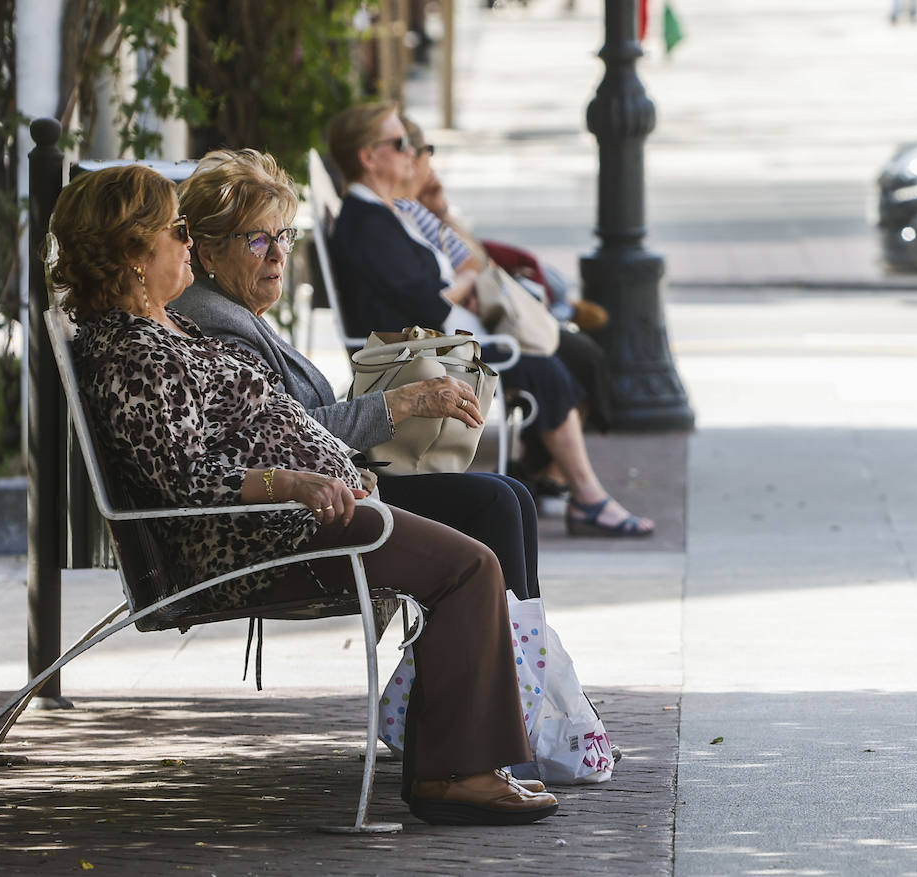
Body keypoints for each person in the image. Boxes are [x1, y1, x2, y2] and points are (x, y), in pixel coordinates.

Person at [49, 163, 557, 826]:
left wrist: (335, 470)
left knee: (473, 544)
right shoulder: (139, 350)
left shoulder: (167, 330)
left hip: (298, 518)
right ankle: (457, 773)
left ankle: (466, 763)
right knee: (469, 565)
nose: (186, 243)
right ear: (132, 256)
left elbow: (244, 432)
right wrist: (290, 479)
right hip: (263, 537)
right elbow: (182, 478)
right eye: (175, 231)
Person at [173, 147, 542, 601]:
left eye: (283, 236)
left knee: (512, 494)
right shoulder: (215, 324)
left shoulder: (231, 310)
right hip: (290, 523)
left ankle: (515, 656)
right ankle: (509, 661)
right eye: (256, 240)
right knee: (494, 503)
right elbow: (286, 440)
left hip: (321, 496)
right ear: (208, 253)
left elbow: (288, 423)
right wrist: (405, 401)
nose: (277, 255)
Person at [326, 102, 655, 538]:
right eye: (401, 143)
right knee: (548, 372)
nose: (412, 152)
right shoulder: (367, 224)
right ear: (368, 157)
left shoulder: (384, 215)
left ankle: (567, 485)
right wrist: (466, 279)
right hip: (416, 356)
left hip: (437, 345)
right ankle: (588, 497)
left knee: (562, 361)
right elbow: (433, 307)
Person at [393, 116, 617, 500]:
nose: (425, 160)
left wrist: (444, 216)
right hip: (465, 334)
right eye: (421, 151)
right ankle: (576, 488)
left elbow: (469, 261)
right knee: (558, 364)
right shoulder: (398, 214)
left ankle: (549, 468)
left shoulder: (419, 210)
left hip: (481, 318)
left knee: (576, 355)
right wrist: (465, 283)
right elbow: (442, 290)